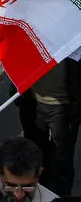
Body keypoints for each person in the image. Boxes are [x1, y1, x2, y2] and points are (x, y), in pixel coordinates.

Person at [17, 58, 80, 196]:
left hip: (63, 107)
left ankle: (62, 195)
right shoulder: (34, 37)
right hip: (33, 102)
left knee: (62, 158)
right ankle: (39, 191)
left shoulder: (75, 42)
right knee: (36, 153)